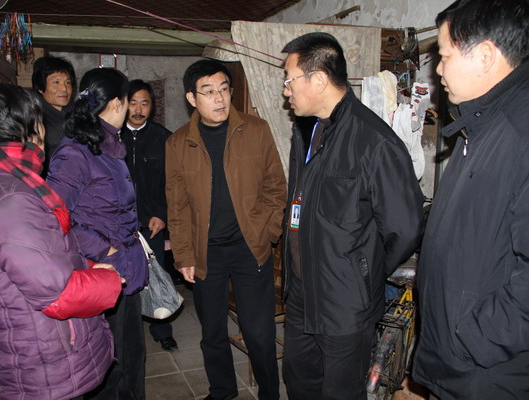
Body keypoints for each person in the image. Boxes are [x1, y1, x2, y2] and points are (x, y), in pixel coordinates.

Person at [0, 82, 122, 400]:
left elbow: (35, 263)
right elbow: (58, 294)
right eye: (38, 122)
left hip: (29, 357)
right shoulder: (9, 200)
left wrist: (87, 266)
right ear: (25, 129)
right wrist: (109, 279)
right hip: (44, 370)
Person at [280, 32, 424, 400]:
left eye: (290, 79)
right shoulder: (307, 130)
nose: (285, 90)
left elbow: (405, 227)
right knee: (299, 382)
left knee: (341, 392)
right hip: (302, 295)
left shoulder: (373, 141)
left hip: (344, 303)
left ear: (318, 79)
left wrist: (361, 271)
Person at [412, 1, 529, 399]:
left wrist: (475, 337)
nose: (438, 70)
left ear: (485, 56)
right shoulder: (479, 126)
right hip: (459, 360)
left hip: (488, 372)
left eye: (444, 57)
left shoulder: (519, 132)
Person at [166, 59, 286, 400]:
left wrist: (268, 232)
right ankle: (222, 390)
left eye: (223, 89)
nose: (219, 98)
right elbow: (177, 206)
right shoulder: (178, 143)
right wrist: (184, 255)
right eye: (208, 92)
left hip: (250, 247)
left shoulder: (256, 130)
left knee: (259, 332)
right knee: (212, 331)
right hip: (206, 253)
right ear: (192, 98)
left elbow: (276, 187)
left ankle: (269, 394)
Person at [47, 68, 148, 400]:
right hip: (100, 271)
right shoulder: (75, 152)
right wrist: (106, 250)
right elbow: (54, 217)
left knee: (132, 356)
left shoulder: (108, 144)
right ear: (117, 103)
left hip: (124, 269)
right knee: (108, 364)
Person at [120, 79, 177, 352]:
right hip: (119, 222)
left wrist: (162, 214)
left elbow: (172, 183)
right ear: (123, 104)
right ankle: (125, 331)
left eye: (144, 103)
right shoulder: (111, 136)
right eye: (133, 103)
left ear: (151, 107)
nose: (138, 109)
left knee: (157, 274)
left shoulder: (164, 138)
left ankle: (162, 329)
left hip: (152, 222)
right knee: (122, 277)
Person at [31, 56, 76, 174]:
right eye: (56, 82)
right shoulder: (35, 117)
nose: (64, 88)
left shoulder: (76, 113)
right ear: (41, 88)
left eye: (68, 82)